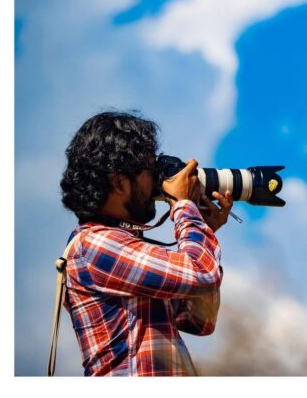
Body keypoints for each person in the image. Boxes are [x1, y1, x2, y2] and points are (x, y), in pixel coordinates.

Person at [57, 111, 233, 376]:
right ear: (119, 183)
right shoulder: (94, 245)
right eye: (150, 170)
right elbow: (201, 274)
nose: (157, 181)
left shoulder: (125, 249)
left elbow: (201, 320)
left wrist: (203, 227)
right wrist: (184, 207)